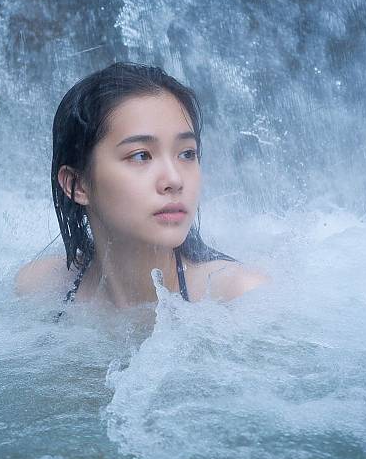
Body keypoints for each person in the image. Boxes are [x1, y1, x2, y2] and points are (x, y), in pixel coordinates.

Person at [15, 62, 267, 309]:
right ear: (77, 184)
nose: (174, 180)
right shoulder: (40, 288)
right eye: (141, 155)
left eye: (187, 154)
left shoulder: (240, 299)